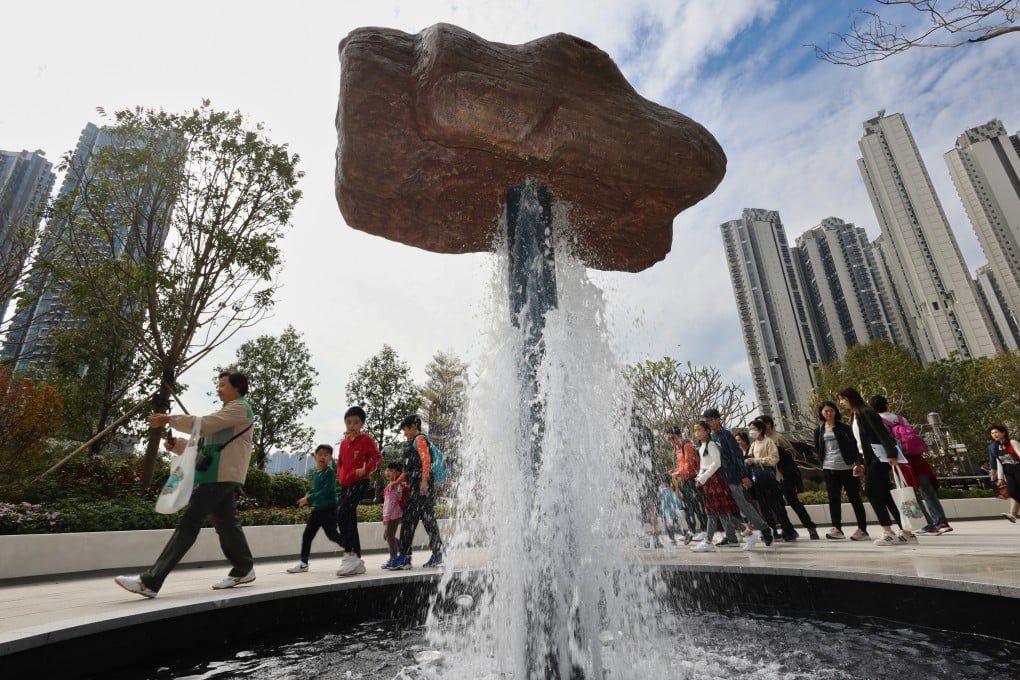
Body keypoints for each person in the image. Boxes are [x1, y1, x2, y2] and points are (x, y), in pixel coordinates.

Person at [115, 372, 256, 598]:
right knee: (226, 523)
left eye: (222, 385)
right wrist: (177, 445)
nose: (218, 388)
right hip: (216, 474)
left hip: (221, 475)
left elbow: (204, 424)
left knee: (190, 520)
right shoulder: (226, 412)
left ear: (237, 387)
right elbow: (200, 447)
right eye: (217, 385)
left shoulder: (239, 408)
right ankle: (243, 567)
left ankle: (150, 581)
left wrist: (170, 419)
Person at [836, 387, 916, 546]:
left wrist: (891, 454)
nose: (841, 402)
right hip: (870, 460)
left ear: (851, 398)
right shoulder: (855, 415)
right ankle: (906, 532)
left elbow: (882, 434)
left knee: (871, 492)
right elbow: (859, 443)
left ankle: (888, 531)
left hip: (879, 459)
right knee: (885, 495)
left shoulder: (866, 412)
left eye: (843, 399)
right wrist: (859, 463)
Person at [871, 395, 952, 535]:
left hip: (901, 461)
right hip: (917, 458)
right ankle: (942, 522)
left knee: (911, 493)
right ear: (887, 405)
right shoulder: (901, 419)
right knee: (928, 492)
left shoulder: (878, 421)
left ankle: (928, 524)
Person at [702, 407, 774, 547]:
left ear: (717, 419)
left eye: (710, 420)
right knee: (723, 508)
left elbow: (737, 457)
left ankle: (765, 528)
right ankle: (730, 536)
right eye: (706, 421)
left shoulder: (726, 435)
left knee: (743, 505)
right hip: (718, 479)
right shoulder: (710, 437)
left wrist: (743, 475)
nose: (708, 423)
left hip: (731, 477)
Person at [389, 414, 445, 570]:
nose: (405, 433)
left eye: (405, 430)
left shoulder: (419, 439)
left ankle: (405, 557)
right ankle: (437, 552)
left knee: (409, 520)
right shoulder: (414, 442)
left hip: (421, 487)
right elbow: (408, 471)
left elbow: (425, 459)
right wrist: (396, 482)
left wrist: (424, 481)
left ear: (413, 426)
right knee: (427, 518)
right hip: (420, 486)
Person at [336, 406, 382, 577]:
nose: (352, 425)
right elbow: (340, 462)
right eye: (349, 422)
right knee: (350, 520)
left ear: (362, 423)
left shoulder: (366, 440)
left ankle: (349, 555)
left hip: (360, 483)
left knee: (341, 515)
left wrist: (366, 469)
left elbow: (378, 458)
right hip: (346, 485)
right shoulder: (344, 443)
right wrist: (341, 477)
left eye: (356, 422)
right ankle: (358, 562)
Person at [813, 400, 869, 540]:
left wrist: (858, 462)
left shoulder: (844, 427)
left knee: (854, 498)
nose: (829, 413)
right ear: (821, 413)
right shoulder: (818, 430)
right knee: (834, 499)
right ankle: (837, 529)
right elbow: (818, 448)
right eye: (826, 411)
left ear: (835, 412)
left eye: (831, 410)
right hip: (829, 468)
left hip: (847, 467)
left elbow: (855, 446)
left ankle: (862, 529)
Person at [759, 414, 819, 540]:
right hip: (771, 477)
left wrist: (779, 453)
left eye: (761, 424)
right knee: (779, 505)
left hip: (784, 475)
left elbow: (792, 453)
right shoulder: (761, 440)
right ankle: (788, 530)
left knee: (793, 502)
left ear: (768, 424)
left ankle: (810, 528)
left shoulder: (778, 437)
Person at [287, 444, 344, 573]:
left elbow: (325, 490)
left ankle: (352, 551)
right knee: (307, 535)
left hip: (329, 510)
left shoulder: (330, 472)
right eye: (320, 454)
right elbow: (315, 489)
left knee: (332, 535)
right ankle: (303, 563)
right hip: (317, 509)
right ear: (315, 457)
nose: (322, 457)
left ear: (330, 458)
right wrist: (306, 497)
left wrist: (309, 499)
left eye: (326, 455)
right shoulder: (315, 473)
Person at [689, 420, 745, 552]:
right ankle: (747, 532)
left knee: (713, 512)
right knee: (721, 513)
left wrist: (702, 477)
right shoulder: (702, 446)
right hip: (709, 481)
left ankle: (708, 541)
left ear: (707, 431)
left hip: (715, 480)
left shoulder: (711, 445)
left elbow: (717, 463)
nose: (697, 433)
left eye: (700, 430)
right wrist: (699, 477)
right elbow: (704, 465)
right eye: (695, 430)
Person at [745, 419, 796, 543]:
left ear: (760, 429)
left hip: (769, 478)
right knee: (764, 508)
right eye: (750, 429)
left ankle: (788, 530)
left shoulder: (768, 442)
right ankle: (772, 531)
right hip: (757, 479)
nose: (751, 431)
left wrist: (757, 460)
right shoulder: (753, 444)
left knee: (776, 505)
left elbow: (774, 459)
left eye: (753, 429)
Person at [667, 425, 706, 543]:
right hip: (684, 480)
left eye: (672, 438)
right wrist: (674, 470)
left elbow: (689, 466)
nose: (671, 441)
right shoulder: (678, 448)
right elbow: (682, 465)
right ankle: (691, 530)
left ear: (679, 435)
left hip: (691, 479)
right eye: (669, 439)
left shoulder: (687, 446)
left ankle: (704, 531)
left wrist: (678, 472)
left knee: (697, 506)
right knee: (688, 508)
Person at [988, 425, 1020, 523]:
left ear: (1003, 433)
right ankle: (1013, 515)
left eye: (996, 432)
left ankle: (1013, 514)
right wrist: (1000, 478)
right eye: (992, 433)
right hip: (1008, 471)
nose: (994, 435)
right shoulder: (996, 447)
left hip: (1018, 468)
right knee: (1012, 492)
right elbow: (999, 463)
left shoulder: (1012, 443)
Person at [381, 461, 409, 566]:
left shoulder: (394, 486)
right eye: (387, 470)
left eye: (391, 471)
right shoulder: (393, 485)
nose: (387, 472)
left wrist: (386, 517)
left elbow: (391, 504)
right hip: (394, 514)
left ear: (397, 473)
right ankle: (403, 550)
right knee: (388, 536)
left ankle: (393, 558)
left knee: (389, 536)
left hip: (394, 515)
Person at [658, 473, 683, 545]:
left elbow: (660, 499)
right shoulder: (672, 491)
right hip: (673, 511)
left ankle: (672, 539)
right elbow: (677, 501)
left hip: (666, 512)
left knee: (668, 526)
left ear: (663, 482)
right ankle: (674, 538)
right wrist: (678, 507)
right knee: (672, 525)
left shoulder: (662, 491)